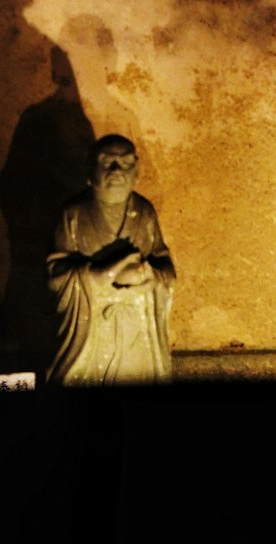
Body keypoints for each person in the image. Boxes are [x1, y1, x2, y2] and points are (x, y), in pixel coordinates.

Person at [46, 135, 174, 384]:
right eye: (107, 163)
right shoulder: (74, 214)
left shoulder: (144, 212)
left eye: (125, 163)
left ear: (136, 172)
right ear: (90, 171)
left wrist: (152, 279)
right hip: (92, 327)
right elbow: (55, 271)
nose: (116, 171)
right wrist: (93, 277)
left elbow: (163, 263)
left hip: (134, 329)